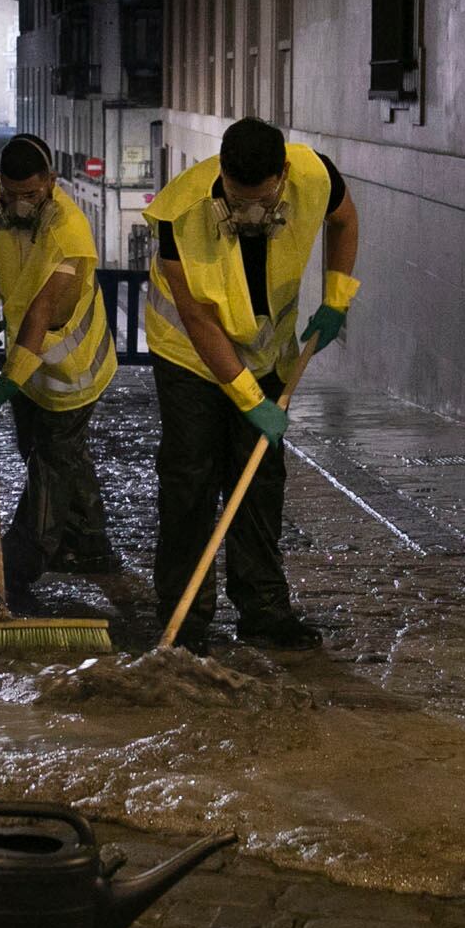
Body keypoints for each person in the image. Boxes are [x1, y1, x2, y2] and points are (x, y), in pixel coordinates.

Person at [143, 117, 359, 648]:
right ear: (221, 173)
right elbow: (197, 319)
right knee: (190, 479)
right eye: (237, 201)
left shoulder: (313, 175)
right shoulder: (180, 212)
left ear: (283, 174)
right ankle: (185, 617)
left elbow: (346, 220)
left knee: (259, 482)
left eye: (260, 199)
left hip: (265, 351)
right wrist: (248, 400)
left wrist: (336, 298)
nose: (248, 213)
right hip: (190, 356)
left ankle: (262, 609)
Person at [0, 136, 122, 602]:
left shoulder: (68, 230)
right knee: (50, 451)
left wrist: (5, 385)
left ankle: (19, 567)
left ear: (51, 183)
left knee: (49, 467)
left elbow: (42, 314)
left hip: (75, 368)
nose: (20, 204)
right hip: (28, 361)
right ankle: (91, 544)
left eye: (31, 195)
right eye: (12, 195)